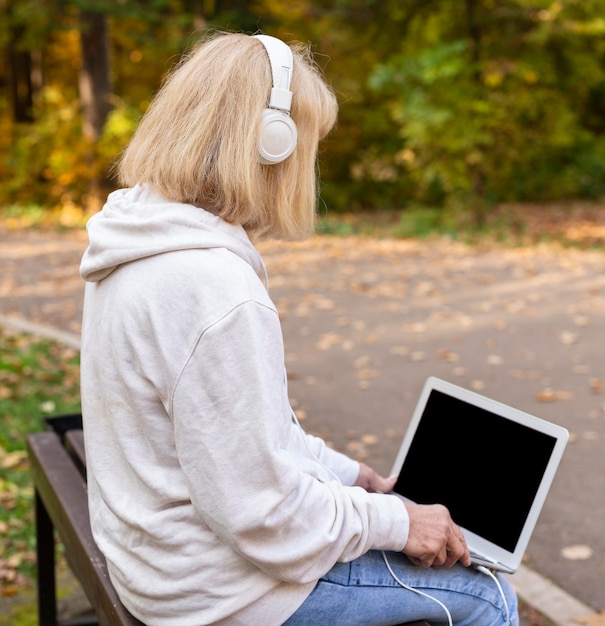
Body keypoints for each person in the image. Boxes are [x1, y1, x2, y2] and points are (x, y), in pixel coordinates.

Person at [79, 31, 519, 626]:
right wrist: (399, 522)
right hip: (217, 594)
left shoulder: (134, 245)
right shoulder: (216, 292)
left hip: (157, 569)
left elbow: (239, 442)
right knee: (487, 595)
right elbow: (264, 518)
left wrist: (353, 478)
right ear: (270, 144)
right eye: (310, 144)